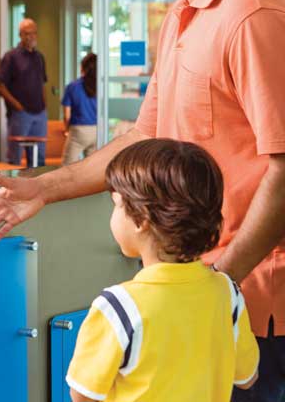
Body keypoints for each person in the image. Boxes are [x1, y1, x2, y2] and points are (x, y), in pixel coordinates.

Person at [0, 0, 285, 399]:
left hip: (250, 308)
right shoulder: (185, 16)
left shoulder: (254, 14)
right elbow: (143, 135)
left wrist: (217, 284)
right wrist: (42, 188)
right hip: (202, 298)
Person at [67, 139, 258, 402]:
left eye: (116, 204)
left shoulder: (118, 307)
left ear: (141, 220)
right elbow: (247, 377)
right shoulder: (227, 294)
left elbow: (82, 394)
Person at [0, 18, 48, 167]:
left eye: (33, 33)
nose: (31, 37)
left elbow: (42, 83)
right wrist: (17, 105)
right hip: (20, 115)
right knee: (15, 158)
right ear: (20, 35)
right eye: (27, 33)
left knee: (39, 159)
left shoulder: (39, 57)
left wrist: (45, 105)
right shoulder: (11, 57)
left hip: (40, 113)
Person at [61, 53, 97, 165]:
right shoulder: (101, 86)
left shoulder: (73, 86)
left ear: (82, 67)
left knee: (67, 166)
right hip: (97, 130)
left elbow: (67, 115)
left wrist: (67, 129)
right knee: (91, 167)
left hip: (79, 131)